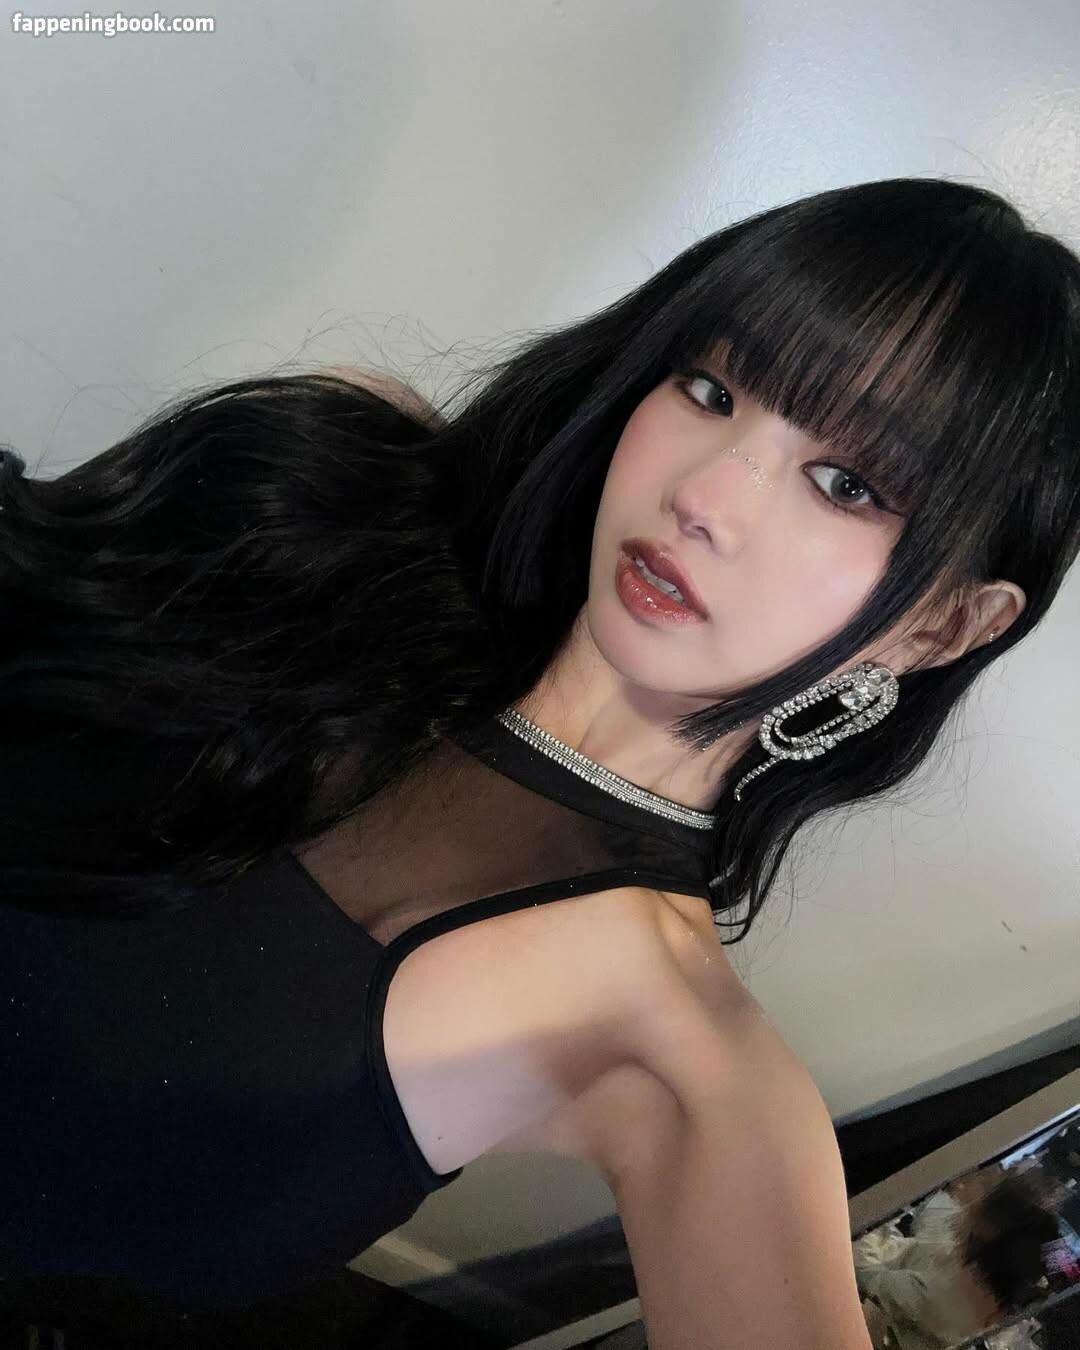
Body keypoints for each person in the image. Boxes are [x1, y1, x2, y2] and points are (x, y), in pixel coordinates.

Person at [2, 177, 1079, 1347]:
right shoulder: (329, 496)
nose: (703, 495)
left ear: (942, 628)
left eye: (848, 485)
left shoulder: (683, 1059)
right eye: (710, 389)